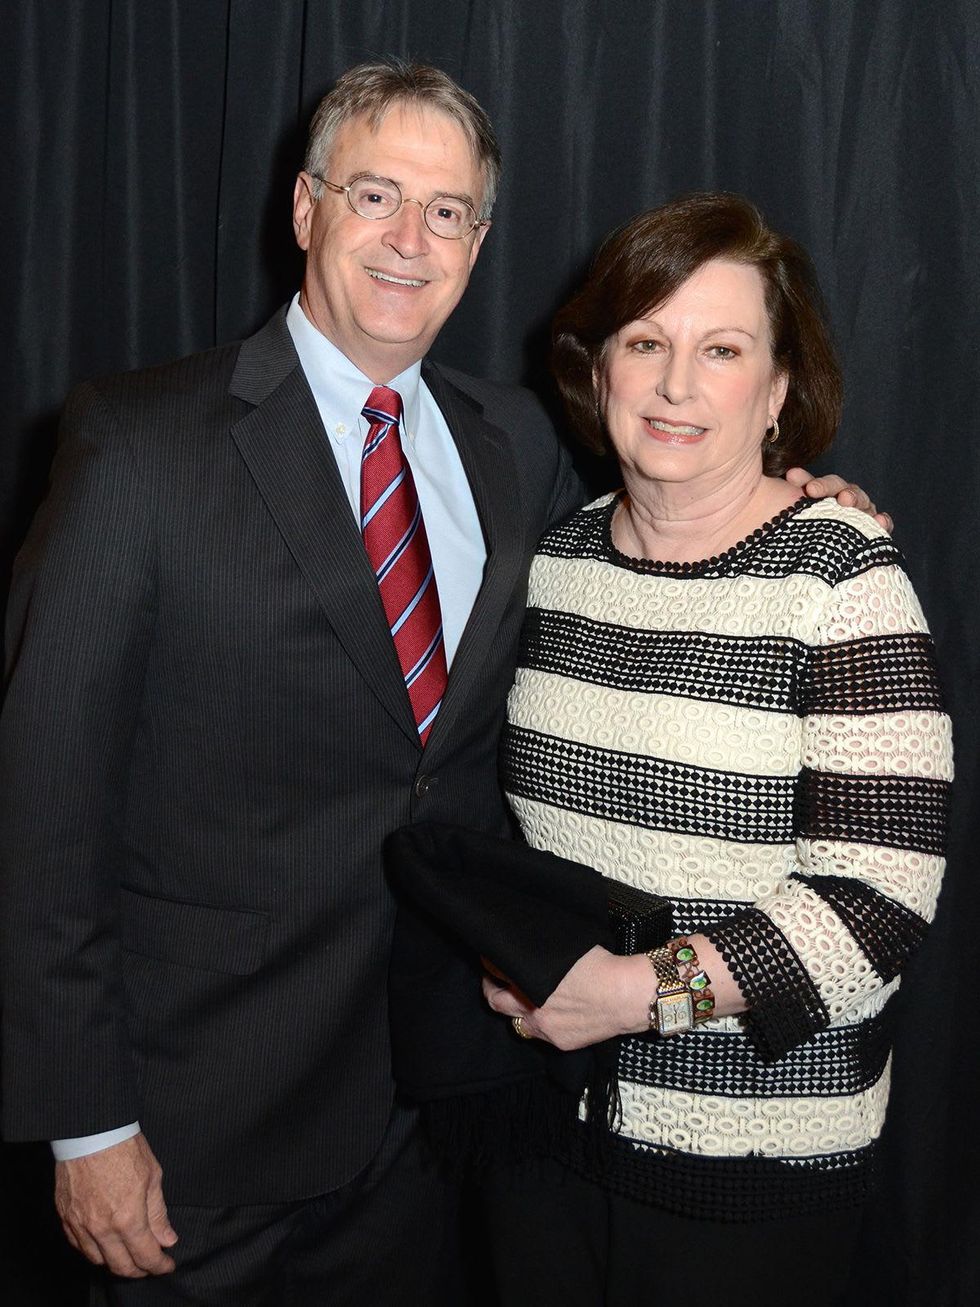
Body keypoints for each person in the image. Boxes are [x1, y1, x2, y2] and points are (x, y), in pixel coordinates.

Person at [0, 59, 881, 1305]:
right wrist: (84, 1122)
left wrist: (798, 492)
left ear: (478, 240)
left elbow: (665, 541)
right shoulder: (137, 445)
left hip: (443, 1113)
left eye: (449, 210)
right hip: (200, 1129)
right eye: (376, 196)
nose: (411, 240)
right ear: (305, 210)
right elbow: (42, 807)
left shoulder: (511, 442)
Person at [482, 193, 951, 1307]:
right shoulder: (551, 565)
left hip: (748, 1175)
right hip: (534, 1137)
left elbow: (877, 902)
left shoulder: (840, 577)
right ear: (597, 371)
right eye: (644, 341)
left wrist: (638, 995)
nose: (676, 384)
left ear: (778, 391)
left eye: (721, 348)